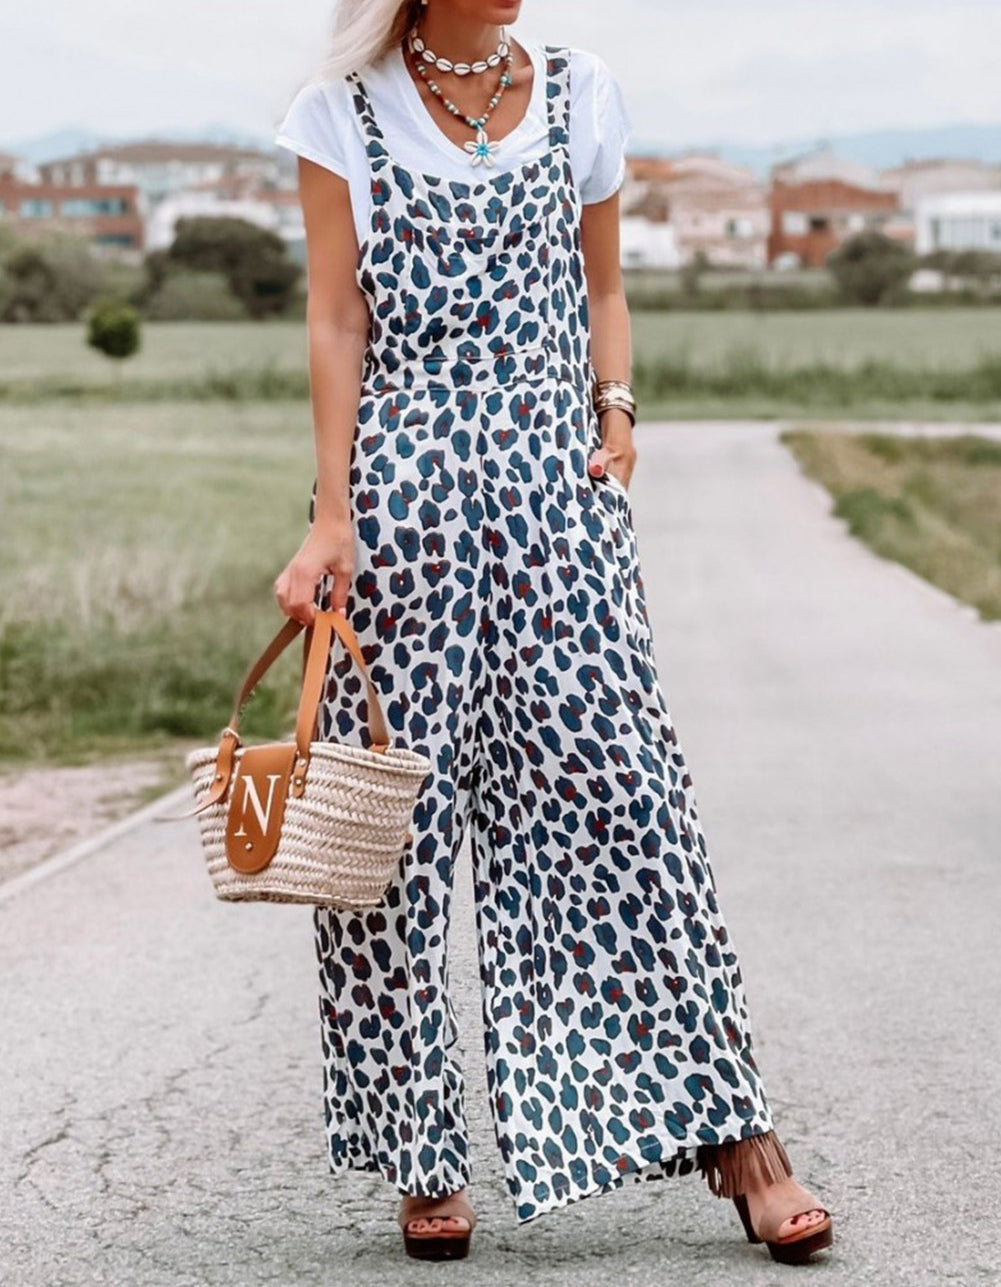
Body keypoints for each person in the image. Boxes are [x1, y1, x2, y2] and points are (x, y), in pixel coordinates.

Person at [272, 0, 834, 1265]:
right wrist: (330, 515)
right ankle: (422, 1154)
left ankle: (740, 1140)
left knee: (627, 801)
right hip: (404, 504)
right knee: (398, 828)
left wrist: (614, 412)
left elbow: (604, 285)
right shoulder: (338, 113)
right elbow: (334, 320)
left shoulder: (582, 92)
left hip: (557, 504)